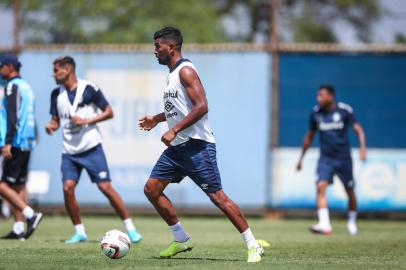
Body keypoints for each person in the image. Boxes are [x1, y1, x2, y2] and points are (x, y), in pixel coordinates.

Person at [139, 27, 264, 263]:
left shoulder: (185, 71)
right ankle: (181, 239)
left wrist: (174, 129)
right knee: (151, 189)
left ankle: (253, 244)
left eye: (158, 46)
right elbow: (179, 109)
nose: (154, 51)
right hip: (178, 148)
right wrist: (156, 119)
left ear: (171, 47)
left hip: (197, 147)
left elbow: (202, 106)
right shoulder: (173, 74)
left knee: (218, 197)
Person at [45, 56, 142, 244]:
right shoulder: (56, 94)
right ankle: (79, 231)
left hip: (91, 147)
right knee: (67, 188)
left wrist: (86, 121)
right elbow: (56, 120)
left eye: (56, 70)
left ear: (68, 70)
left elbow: (109, 112)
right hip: (69, 151)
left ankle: (130, 229)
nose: (53, 74)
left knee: (105, 187)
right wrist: (51, 125)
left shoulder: (89, 89)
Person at [296, 85, 367, 235]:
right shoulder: (316, 113)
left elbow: (358, 130)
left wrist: (362, 148)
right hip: (326, 158)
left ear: (331, 96)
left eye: (321, 95)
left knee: (350, 191)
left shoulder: (344, 110)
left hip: (343, 159)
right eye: (317, 95)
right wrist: (301, 158)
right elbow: (309, 136)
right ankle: (325, 224)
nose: (318, 98)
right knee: (320, 186)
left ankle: (352, 222)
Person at [0, 54, 43, 240]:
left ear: (10, 67)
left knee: (2, 186)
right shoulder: (26, 87)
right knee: (18, 185)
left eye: (1, 66)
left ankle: (30, 214)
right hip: (26, 141)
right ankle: (18, 229)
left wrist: (8, 142)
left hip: (15, 141)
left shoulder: (12, 86)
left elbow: (12, 116)